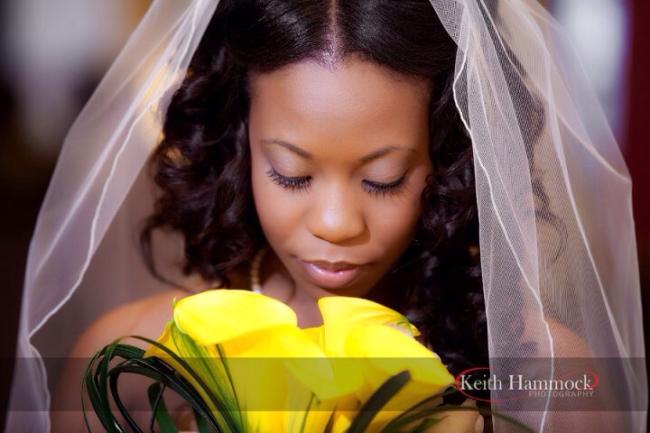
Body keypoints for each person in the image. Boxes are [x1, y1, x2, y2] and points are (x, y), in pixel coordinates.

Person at [6, 1, 647, 433]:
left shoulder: (545, 373)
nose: (338, 223)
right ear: (237, 141)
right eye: (291, 172)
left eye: (382, 179)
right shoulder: (133, 366)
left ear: (449, 158)